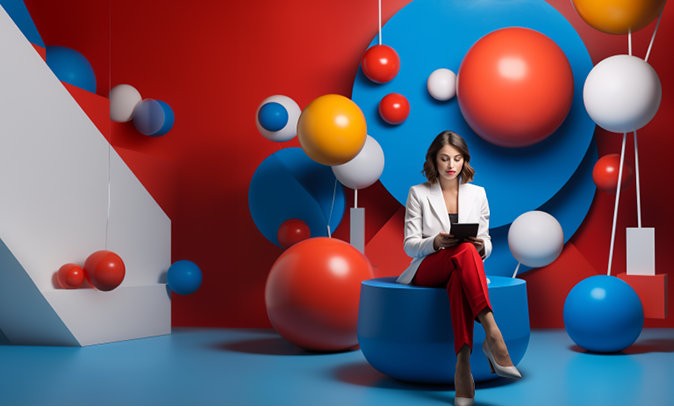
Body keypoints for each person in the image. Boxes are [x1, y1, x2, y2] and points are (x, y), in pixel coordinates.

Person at [396, 130, 521, 406]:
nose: (451, 165)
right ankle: (493, 334)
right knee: (460, 252)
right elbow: (409, 244)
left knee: (460, 269)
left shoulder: (478, 194)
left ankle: (463, 366)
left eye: (457, 158)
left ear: (465, 161)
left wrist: (479, 247)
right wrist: (436, 241)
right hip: (429, 267)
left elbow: (487, 242)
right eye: (444, 159)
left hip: (460, 266)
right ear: (434, 161)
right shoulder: (418, 193)